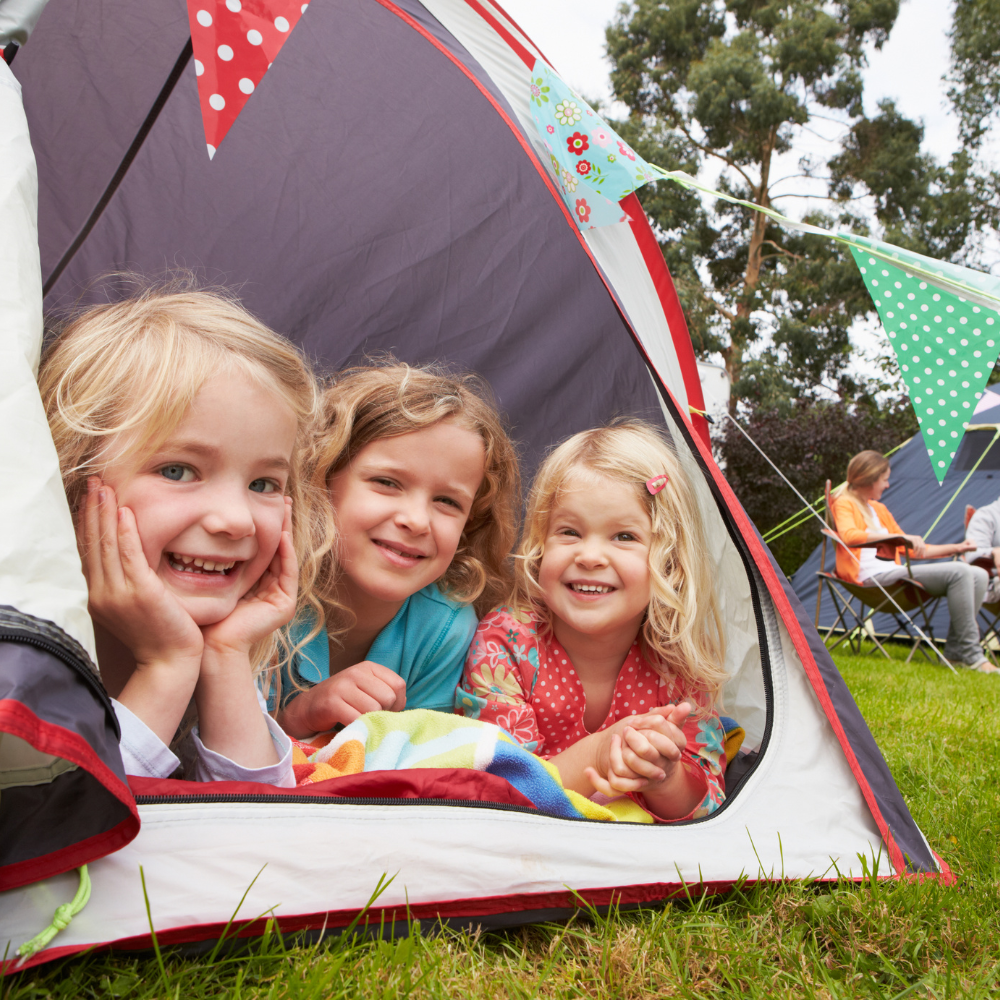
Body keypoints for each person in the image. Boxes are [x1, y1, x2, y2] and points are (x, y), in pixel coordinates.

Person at [39, 287, 328, 782]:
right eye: (178, 471)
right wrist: (165, 667)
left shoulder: (225, 648)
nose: (235, 519)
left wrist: (227, 657)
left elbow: (259, 841)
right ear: (68, 479)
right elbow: (55, 835)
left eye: (263, 484)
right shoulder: (20, 664)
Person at [455, 420, 728, 822]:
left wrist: (663, 777)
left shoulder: (679, 663)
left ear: (668, 562)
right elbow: (499, 787)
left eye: (624, 537)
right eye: (570, 532)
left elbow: (709, 808)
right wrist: (602, 753)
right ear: (539, 544)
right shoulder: (505, 643)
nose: (590, 556)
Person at [275, 361, 520, 739]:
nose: (417, 520)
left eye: (447, 502)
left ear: (471, 523)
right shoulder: (265, 590)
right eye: (387, 482)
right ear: (320, 478)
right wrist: (300, 716)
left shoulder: (446, 627)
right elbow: (212, 754)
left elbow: (417, 766)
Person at [832, 450, 996, 673]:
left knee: (978, 573)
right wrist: (896, 538)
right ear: (869, 479)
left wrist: (958, 548)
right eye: (885, 479)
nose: (887, 485)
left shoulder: (878, 509)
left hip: (894, 575)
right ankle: (973, 654)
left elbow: (914, 550)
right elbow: (849, 536)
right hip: (872, 579)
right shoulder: (844, 503)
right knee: (961, 572)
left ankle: (956, 654)